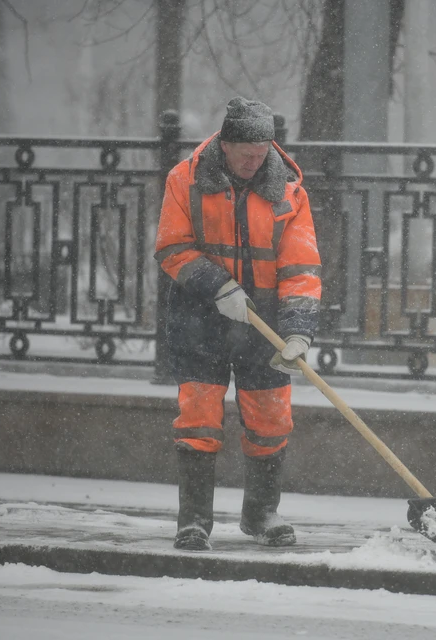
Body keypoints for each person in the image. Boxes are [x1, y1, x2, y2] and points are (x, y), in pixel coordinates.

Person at [154, 97, 322, 551]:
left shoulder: (289, 192)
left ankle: (261, 513)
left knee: (271, 418)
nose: (254, 160)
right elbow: (172, 248)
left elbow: (301, 267)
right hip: (199, 316)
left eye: (262, 150)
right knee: (198, 417)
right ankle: (193, 522)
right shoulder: (184, 181)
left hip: (263, 320)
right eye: (246, 151)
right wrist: (218, 286)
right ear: (224, 145)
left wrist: (298, 329)